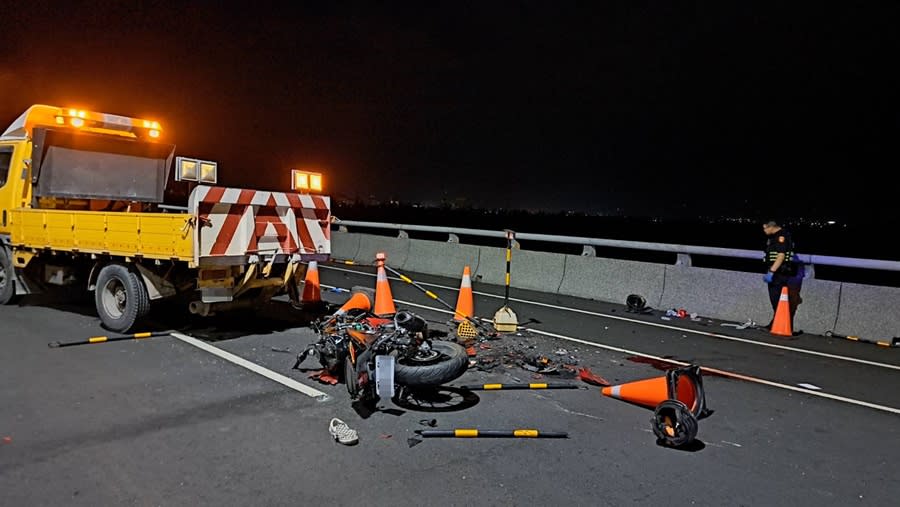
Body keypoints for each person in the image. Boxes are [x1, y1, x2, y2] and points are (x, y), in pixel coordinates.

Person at [762, 220, 801, 332]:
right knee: (777, 300)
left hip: (779, 273)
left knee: (777, 299)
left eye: (765, 228)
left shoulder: (781, 237)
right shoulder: (776, 236)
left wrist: (771, 272)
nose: (764, 231)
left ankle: (781, 324)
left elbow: (781, 256)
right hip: (778, 272)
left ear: (770, 227)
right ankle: (774, 323)